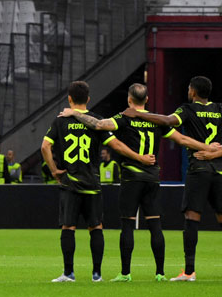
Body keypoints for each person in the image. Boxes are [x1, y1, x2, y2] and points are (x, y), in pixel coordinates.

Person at [61, 82, 215, 282]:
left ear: (129, 99)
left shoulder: (125, 117)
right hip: (152, 178)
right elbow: (183, 140)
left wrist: (74, 114)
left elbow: (99, 125)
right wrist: (207, 147)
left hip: (131, 177)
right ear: (147, 100)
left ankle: (125, 274)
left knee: (127, 224)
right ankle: (160, 273)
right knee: (155, 224)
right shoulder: (156, 121)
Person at [42, 80, 154, 283]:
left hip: (71, 181)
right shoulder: (97, 120)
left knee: (69, 227)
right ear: (88, 99)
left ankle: (68, 274)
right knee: (96, 227)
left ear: (69, 99)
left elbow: (44, 147)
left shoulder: (60, 120)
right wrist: (140, 157)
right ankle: (97, 274)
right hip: (93, 183)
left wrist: (54, 170)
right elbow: (117, 145)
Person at [118, 75, 222, 281]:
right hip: (219, 171)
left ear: (192, 91)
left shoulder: (187, 109)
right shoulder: (220, 109)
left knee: (192, 219)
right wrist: (217, 153)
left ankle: (189, 271)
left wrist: (137, 115)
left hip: (198, 169)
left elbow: (167, 121)